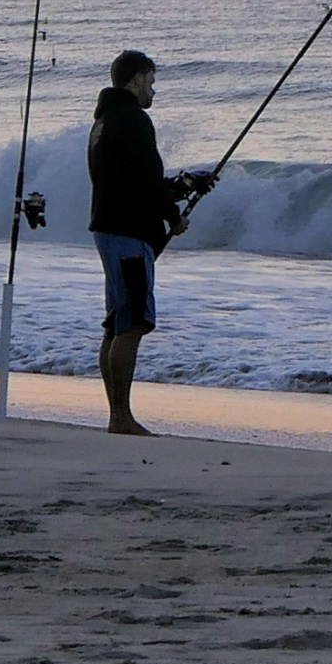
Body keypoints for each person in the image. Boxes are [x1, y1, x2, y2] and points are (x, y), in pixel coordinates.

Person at [83, 50, 213, 437]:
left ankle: (117, 414)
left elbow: (132, 181)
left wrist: (182, 187)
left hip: (109, 228)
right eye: (151, 81)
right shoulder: (135, 119)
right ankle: (120, 417)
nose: (153, 89)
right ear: (137, 79)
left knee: (116, 323)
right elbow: (145, 184)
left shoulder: (103, 122)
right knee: (133, 323)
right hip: (128, 233)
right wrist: (173, 214)